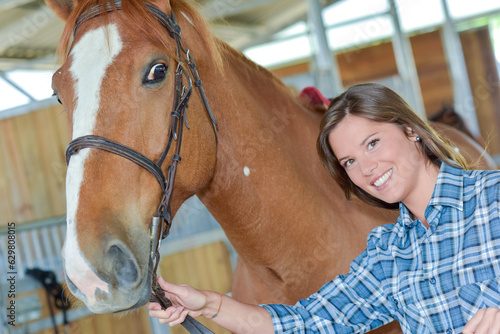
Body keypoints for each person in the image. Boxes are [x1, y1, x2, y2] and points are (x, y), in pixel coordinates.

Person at [148, 83, 500, 333]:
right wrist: (210, 305)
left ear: (410, 130)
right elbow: (304, 323)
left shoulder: (493, 197)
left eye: (373, 143)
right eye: (349, 161)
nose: (366, 168)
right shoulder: (389, 255)